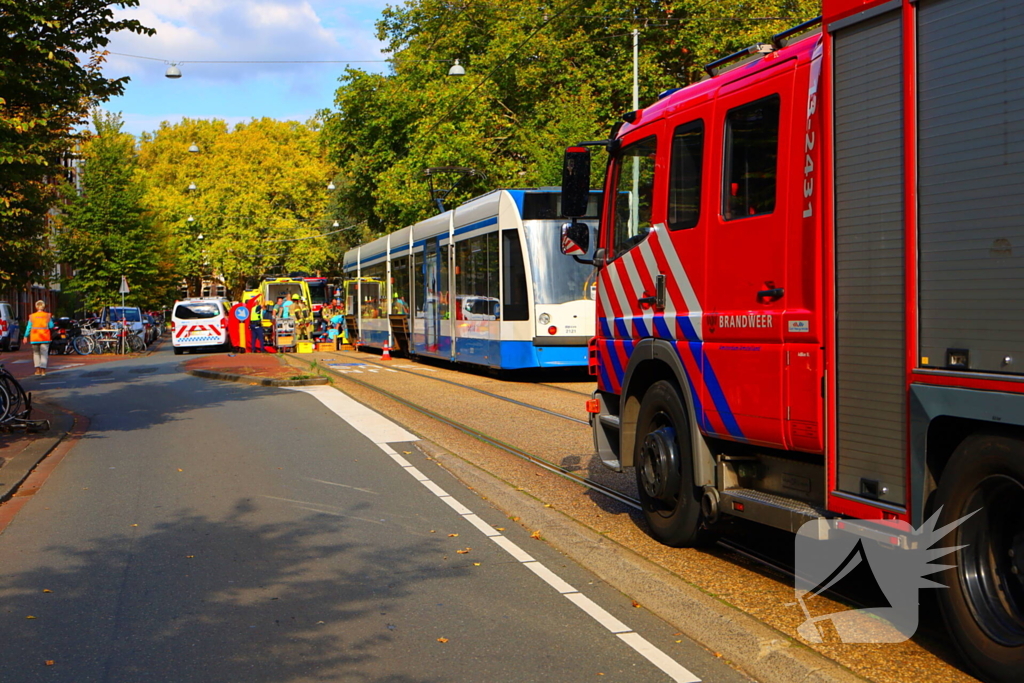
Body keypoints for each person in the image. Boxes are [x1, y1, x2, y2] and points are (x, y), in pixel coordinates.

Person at [22, 300, 54, 376]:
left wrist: (25, 336)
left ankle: (37, 370)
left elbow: (28, 327)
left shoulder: (32, 316)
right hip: (45, 338)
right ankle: (43, 371)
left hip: (35, 338)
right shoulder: (47, 315)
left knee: (36, 354)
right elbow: (51, 326)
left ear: (36, 307)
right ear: (43, 307)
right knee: (44, 354)